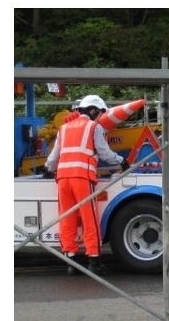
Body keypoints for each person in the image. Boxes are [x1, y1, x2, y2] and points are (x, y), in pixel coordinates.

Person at [45, 94, 130, 276]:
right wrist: (122, 161)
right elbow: (104, 153)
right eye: (100, 113)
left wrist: (47, 168)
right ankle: (94, 260)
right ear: (92, 111)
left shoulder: (64, 128)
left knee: (66, 218)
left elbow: (53, 157)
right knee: (88, 217)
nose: (100, 117)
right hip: (82, 177)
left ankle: (71, 260)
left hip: (62, 178)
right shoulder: (94, 127)